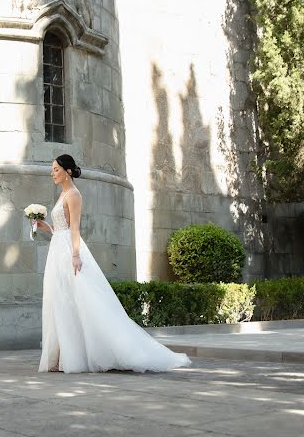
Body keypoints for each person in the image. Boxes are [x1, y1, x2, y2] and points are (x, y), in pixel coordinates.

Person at [35, 154, 190, 373]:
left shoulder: (73, 194)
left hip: (69, 250)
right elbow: (60, 228)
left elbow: (75, 229)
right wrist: (45, 227)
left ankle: (89, 354)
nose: (53, 173)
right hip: (58, 250)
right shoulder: (62, 195)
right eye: (52, 170)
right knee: (62, 300)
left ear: (68, 171)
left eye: (56, 169)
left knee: (82, 300)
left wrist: (76, 255)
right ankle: (64, 356)